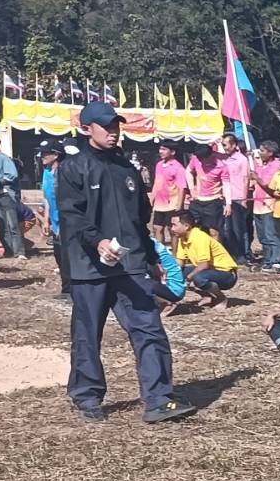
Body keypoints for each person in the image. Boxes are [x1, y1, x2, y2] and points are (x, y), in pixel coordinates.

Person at [56, 102, 196, 424]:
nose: (113, 131)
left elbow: (139, 220)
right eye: (106, 126)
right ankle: (87, 396)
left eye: (116, 125)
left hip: (131, 266)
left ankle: (159, 399)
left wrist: (151, 257)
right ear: (86, 129)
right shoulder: (73, 167)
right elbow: (72, 215)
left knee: (149, 329)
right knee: (87, 334)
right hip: (89, 268)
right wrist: (98, 241)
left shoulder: (127, 168)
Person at [168, 210, 239, 309]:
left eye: (174, 225)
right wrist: (169, 273)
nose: (172, 229)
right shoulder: (183, 238)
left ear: (186, 226)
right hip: (210, 270)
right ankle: (208, 296)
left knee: (198, 278)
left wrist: (188, 278)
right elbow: (179, 262)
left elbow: (203, 265)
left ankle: (221, 298)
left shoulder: (200, 238)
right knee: (177, 274)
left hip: (227, 274)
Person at [38, 144, 70, 295]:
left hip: (66, 220)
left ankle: (72, 290)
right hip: (55, 220)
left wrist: (64, 224)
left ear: (56, 155)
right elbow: (46, 199)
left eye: (45, 153)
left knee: (67, 257)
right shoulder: (46, 173)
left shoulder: (65, 173)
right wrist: (46, 220)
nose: (42, 156)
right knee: (59, 256)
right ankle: (65, 289)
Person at [249, 140, 280, 273]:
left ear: (270, 153)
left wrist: (257, 178)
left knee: (271, 235)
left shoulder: (276, 166)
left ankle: (276, 261)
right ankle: (267, 260)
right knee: (262, 236)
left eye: (262, 151)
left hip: (269, 205)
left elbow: (268, 185)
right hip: (257, 205)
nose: (259, 153)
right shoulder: (261, 165)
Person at [0, 134, 26, 259]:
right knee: (2, 226)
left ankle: (19, 253)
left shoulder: (4, 159)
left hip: (6, 196)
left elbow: (11, 175)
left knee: (13, 225)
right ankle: (8, 251)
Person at [219, 133, 253, 262]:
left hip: (238, 197)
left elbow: (245, 179)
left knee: (239, 228)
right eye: (223, 145)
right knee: (228, 228)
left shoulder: (241, 160)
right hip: (225, 197)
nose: (224, 148)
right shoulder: (223, 159)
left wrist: (244, 199)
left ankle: (242, 254)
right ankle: (231, 253)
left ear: (234, 145)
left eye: (226, 145)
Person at [149, 142, 188, 243]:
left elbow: (182, 188)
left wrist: (179, 205)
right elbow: (156, 183)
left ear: (172, 152)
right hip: (159, 204)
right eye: (160, 149)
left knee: (173, 230)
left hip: (172, 204)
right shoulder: (159, 165)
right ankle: (160, 252)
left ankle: (175, 253)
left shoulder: (178, 168)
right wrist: (151, 199)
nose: (160, 152)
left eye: (164, 149)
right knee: (157, 228)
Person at [186, 144, 227, 239]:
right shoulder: (195, 159)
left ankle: (216, 248)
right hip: (197, 200)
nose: (200, 160)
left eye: (202, 158)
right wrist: (191, 189)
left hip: (213, 200)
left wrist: (227, 203)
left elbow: (226, 184)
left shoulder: (220, 164)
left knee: (214, 232)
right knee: (195, 230)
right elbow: (188, 171)